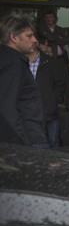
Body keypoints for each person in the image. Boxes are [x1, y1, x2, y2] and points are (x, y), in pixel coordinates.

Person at [0, 16, 48, 148]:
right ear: (13, 37)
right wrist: (25, 144)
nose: (35, 40)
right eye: (29, 36)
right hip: (28, 140)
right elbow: (7, 107)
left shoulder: (12, 60)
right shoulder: (12, 63)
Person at [27, 39, 67, 147]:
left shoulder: (50, 62)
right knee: (36, 145)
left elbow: (60, 83)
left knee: (53, 143)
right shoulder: (19, 63)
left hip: (50, 111)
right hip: (29, 113)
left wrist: (54, 100)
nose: (31, 41)